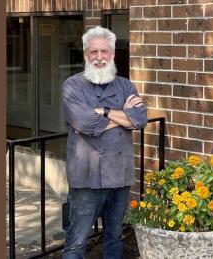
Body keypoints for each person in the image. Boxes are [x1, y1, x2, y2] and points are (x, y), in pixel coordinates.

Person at [62, 26, 148, 259]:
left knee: (115, 235)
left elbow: (140, 120)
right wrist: (123, 117)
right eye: (94, 52)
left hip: (120, 175)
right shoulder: (72, 86)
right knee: (77, 241)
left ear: (112, 54)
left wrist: (105, 111)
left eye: (104, 52)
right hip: (86, 177)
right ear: (85, 55)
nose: (99, 57)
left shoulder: (125, 85)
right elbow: (84, 124)